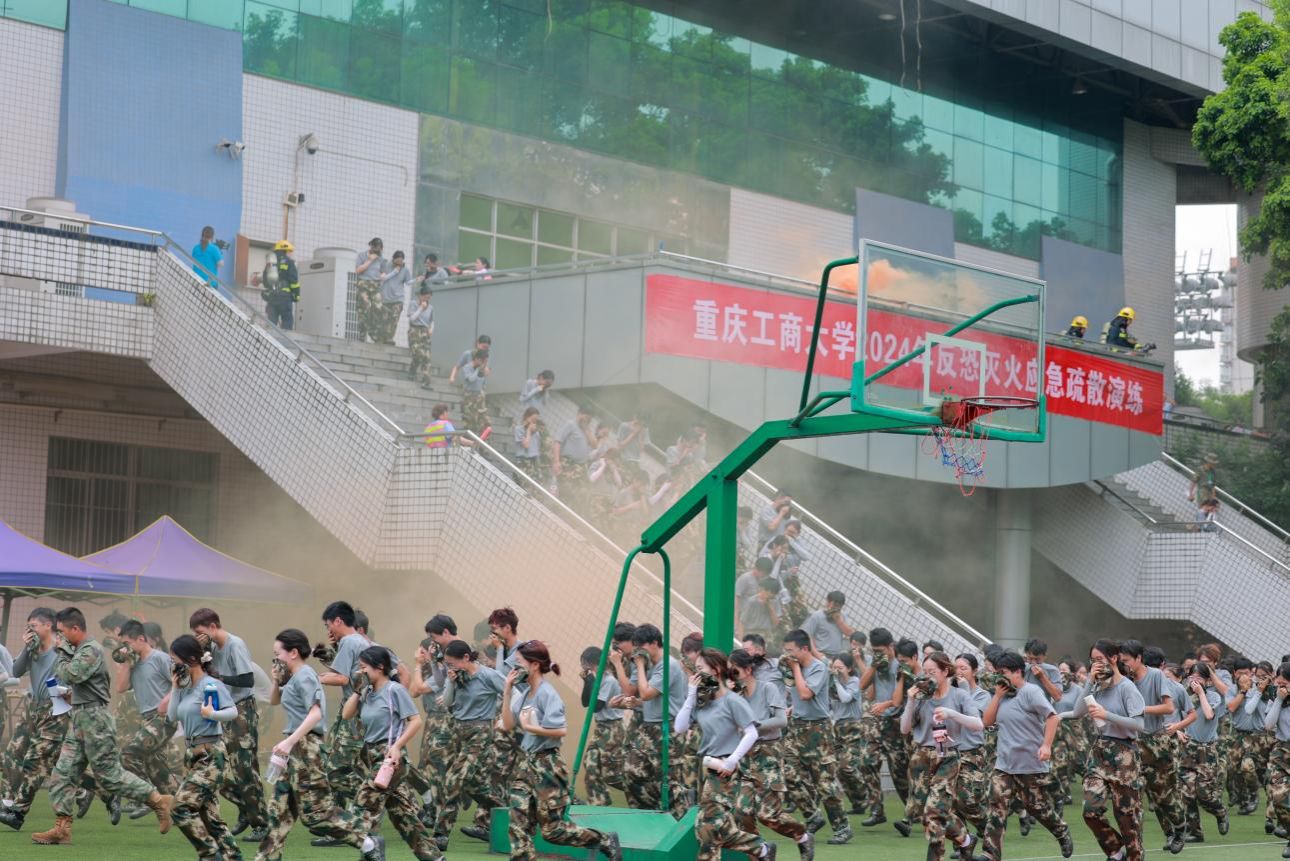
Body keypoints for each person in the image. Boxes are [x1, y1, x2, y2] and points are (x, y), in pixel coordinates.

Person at [31, 607, 173, 845]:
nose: (59, 636)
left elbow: (71, 675)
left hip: (95, 719)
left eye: (62, 631)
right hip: (80, 717)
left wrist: (61, 652)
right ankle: (62, 828)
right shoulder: (78, 650)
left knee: (110, 776)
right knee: (62, 774)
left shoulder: (91, 650)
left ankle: (158, 801)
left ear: (76, 629)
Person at [503, 640, 623, 861]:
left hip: (547, 765)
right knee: (517, 822)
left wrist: (531, 727)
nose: (515, 668)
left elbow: (560, 731)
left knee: (553, 830)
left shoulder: (548, 694)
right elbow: (509, 724)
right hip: (527, 764)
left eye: (519, 662)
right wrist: (507, 691)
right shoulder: (525, 693)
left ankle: (604, 840)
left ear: (535, 665)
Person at [252, 629, 352, 861]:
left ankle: (366, 840)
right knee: (278, 810)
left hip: (307, 748)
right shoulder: (293, 676)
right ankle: (266, 857)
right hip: (295, 748)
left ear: (293, 653)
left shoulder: (305, 675)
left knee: (315, 814)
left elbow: (315, 714)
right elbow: (274, 700)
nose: (276, 659)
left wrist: (288, 742)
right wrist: (276, 680)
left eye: (278, 654)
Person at [337, 646, 442, 861]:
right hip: (371, 755)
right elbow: (346, 715)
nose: (361, 671)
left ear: (380, 667)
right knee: (404, 816)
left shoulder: (395, 690)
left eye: (364, 667)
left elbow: (415, 720)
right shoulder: (367, 692)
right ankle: (434, 858)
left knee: (362, 804)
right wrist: (357, 689)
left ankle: (371, 851)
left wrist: (397, 746)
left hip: (389, 759)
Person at [674, 648, 778, 860]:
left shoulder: (732, 700)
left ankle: (761, 849)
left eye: (700, 668)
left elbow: (751, 733)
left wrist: (732, 761)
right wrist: (691, 695)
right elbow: (680, 727)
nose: (696, 673)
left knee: (708, 826)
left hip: (725, 770)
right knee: (710, 829)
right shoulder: (703, 700)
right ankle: (761, 849)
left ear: (716, 670)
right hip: (708, 767)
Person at [977, 650, 1073, 861]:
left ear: (1017, 672)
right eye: (998, 673)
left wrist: (1046, 746)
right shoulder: (1002, 694)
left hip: (1030, 762)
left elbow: (1052, 717)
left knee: (1036, 807)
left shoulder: (1031, 692)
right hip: (1004, 763)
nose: (1000, 677)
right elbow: (987, 721)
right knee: (996, 806)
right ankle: (990, 854)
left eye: (1003, 672)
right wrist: (997, 696)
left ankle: (1061, 831)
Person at [161, 634, 241, 861]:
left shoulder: (210, 685)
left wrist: (212, 714)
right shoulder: (185, 687)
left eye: (175, 659)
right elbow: (172, 716)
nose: (173, 664)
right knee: (209, 817)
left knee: (180, 807)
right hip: (192, 754)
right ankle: (233, 857)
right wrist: (175, 687)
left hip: (210, 753)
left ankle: (210, 855)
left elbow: (232, 711)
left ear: (191, 659)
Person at [727, 648, 813, 858]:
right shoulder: (735, 696)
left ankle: (802, 835)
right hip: (745, 755)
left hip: (768, 754)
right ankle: (761, 852)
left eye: (734, 671)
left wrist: (755, 726)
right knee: (741, 812)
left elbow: (781, 720)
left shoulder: (768, 688)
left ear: (748, 670)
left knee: (769, 815)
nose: (731, 676)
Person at [190, 608, 267, 841]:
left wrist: (219, 677)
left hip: (241, 711)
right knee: (217, 767)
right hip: (222, 710)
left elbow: (247, 679)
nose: (198, 637)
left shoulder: (235, 645)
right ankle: (245, 807)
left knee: (245, 768)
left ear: (213, 627)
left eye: (199, 632)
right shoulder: (212, 648)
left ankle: (261, 823)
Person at [899, 651, 983, 860]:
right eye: (925, 672)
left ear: (945, 671)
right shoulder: (921, 697)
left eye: (932, 672)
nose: (928, 677)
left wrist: (951, 714)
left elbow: (978, 724)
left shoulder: (959, 695)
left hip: (947, 756)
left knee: (934, 811)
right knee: (926, 812)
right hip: (921, 758)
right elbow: (904, 728)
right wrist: (910, 700)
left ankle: (936, 855)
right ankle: (965, 840)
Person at [1070, 639, 1145, 861]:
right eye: (1093, 661)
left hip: (1125, 754)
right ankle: (1114, 850)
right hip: (1100, 751)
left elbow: (1139, 724)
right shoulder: (1097, 686)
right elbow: (1077, 712)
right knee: (1090, 811)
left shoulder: (1127, 687)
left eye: (1100, 659)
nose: (1097, 664)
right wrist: (1089, 681)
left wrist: (1107, 715)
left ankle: (1133, 855)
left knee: (1127, 817)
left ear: (1113, 658)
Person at [781, 629, 852, 845]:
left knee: (825, 784)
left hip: (818, 730)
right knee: (787, 773)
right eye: (786, 651)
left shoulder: (818, 668)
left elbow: (805, 693)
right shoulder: (796, 668)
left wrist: (795, 668)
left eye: (791, 651)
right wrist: (793, 708)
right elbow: (798, 696)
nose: (788, 655)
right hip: (797, 727)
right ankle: (812, 815)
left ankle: (842, 827)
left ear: (804, 648)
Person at [433, 640, 506, 847]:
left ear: (466, 657)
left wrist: (503, 717)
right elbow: (448, 702)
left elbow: (512, 693)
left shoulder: (488, 675)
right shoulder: (457, 676)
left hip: (480, 732)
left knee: (455, 779)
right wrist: (450, 681)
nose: (450, 667)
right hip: (459, 731)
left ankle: (440, 835)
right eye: (447, 663)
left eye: (452, 663)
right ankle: (510, 813)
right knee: (475, 786)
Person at [0, 608, 64, 832]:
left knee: (43, 762)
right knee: (13, 753)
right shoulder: (33, 649)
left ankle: (105, 791)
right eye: (28, 627)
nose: (30, 630)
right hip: (33, 707)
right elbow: (16, 671)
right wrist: (27, 648)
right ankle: (8, 802)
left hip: (55, 710)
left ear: (48, 625)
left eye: (34, 626)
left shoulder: (62, 649)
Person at [1119, 639, 1185, 853]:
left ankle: (1180, 827)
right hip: (1131, 743)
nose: (1124, 664)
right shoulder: (1123, 679)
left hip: (1156, 744)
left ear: (1139, 658)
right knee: (1131, 797)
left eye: (1127, 660)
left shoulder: (1156, 675)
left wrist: (1141, 708)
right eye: (1121, 661)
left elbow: (1168, 708)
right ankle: (1134, 847)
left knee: (1162, 796)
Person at [620, 623, 688, 816]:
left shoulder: (668, 665)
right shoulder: (651, 665)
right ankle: (648, 814)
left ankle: (681, 822)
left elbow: (647, 693)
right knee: (632, 771)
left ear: (655, 643)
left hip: (668, 728)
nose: (638, 652)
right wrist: (635, 703)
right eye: (636, 647)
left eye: (642, 647)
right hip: (649, 727)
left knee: (669, 781)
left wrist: (640, 666)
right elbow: (647, 698)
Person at [115, 620, 178, 816]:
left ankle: (147, 796)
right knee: (156, 768)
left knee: (128, 754)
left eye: (127, 643)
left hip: (163, 717)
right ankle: (182, 806)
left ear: (141, 639)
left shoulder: (160, 658)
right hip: (147, 719)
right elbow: (121, 688)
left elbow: (182, 682)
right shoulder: (133, 664)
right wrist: (126, 663)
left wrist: (166, 701)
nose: (124, 648)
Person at [316, 601, 371, 811]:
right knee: (355, 763)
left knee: (335, 768)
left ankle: (369, 801)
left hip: (356, 710)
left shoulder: (349, 642)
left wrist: (313, 679)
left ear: (338, 621)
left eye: (328, 625)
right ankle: (343, 814)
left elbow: (341, 678)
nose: (328, 630)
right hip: (356, 707)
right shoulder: (357, 641)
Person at [859, 627, 911, 829]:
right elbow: (862, 686)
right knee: (866, 760)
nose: (877, 654)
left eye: (880, 651)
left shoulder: (900, 666)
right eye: (874, 651)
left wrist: (887, 705)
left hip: (897, 722)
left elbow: (901, 700)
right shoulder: (876, 665)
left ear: (890, 647)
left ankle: (912, 811)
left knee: (899, 771)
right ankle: (877, 810)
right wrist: (873, 665)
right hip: (878, 721)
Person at [1176, 662, 1229, 842]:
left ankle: (1220, 812)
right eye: (1192, 677)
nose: (1195, 681)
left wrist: (1200, 693)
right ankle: (1195, 832)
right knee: (1187, 793)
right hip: (1188, 748)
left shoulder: (1214, 696)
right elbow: (1176, 718)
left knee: (1204, 794)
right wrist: (1178, 731)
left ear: (1207, 680)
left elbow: (1209, 715)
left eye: (1199, 678)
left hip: (1207, 750)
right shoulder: (1184, 696)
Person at [580, 646, 626, 806]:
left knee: (610, 774)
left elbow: (597, 706)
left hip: (612, 728)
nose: (586, 667)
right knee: (590, 763)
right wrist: (587, 682)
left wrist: (591, 681)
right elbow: (585, 702)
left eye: (588, 664)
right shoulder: (597, 679)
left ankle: (643, 789)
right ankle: (598, 801)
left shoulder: (609, 680)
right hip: (601, 727)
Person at [1262, 663, 1290, 858]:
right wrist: (1279, 700)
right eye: (1279, 681)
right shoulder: (1276, 697)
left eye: (1285, 681)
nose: (1281, 684)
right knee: (1278, 797)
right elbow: (1268, 725)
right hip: (1282, 752)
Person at [553, 404, 596, 511]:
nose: (587, 419)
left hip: (580, 467)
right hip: (568, 464)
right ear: (579, 413)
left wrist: (586, 428)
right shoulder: (570, 425)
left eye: (589, 418)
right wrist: (556, 461)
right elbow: (558, 442)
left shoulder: (587, 430)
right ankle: (557, 512)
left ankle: (573, 514)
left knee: (584, 491)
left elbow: (595, 445)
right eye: (585, 416)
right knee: (566, 489)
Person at [375, 250, 414, 345]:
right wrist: (395, 272)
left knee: (394, 320)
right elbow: (382, 278)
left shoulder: (405, 270)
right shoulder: (386, 266)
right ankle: (381, 338)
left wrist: (416, 279)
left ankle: (389, 338)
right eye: (398, 261)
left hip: (398, 299)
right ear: (393, 259)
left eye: (401, 261)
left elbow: (408, 282)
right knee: (384, 319)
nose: (400, 263)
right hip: (386, 298)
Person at [801, 591, 855, 660]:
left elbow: (850, 633)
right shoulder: (817, 616)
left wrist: (838, 620)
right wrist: (816, 653)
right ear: (827, 602)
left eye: (839, 606)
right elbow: (807, 635)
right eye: (834, 605)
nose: (836, 608)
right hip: (821, 653)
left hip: (836, 655)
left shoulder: (842, 615)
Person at [355, 238, 388, 343]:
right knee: (365, 309)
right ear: (371, 247)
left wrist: (383, 275)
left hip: (375, 286)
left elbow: (384, 272)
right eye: (376, 249)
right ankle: (362, 334)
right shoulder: (362, 256)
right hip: (363, 284)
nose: (378, 251)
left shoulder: (381, 259)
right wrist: (369, 260)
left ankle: (375, 334)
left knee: (378, 308)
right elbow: (358, 270)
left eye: (380, 249)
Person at [260, 241, 300, 330]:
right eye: (289, 251)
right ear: (285, 250)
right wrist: (296, 295)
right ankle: (284, 339)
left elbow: (265, 281)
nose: (290, 254)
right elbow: (294, 282)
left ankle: (269, 338)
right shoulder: (289, 262)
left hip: (272, 297)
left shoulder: (270, 263)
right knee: (287, 322)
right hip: (284, 298)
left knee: (271, 324)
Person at [407, 285, 435, 389]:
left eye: (429, 298)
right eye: (425, 297)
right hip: (414, 331)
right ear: (420, 296)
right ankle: (412, 370)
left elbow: (432, 321)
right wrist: (421, 308)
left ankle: (426, 382)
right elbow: (412, 318)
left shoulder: (431, 307)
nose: (427, 299)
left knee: (426, 357)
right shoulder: (413, 304)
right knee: (418, 353)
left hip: (425, 332)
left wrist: (431, 329)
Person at [460, 348, 491, 436]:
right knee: (470, 423)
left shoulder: (481, 369)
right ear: (477, 359)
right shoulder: (467, 367)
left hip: (479, 398)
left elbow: (482, 384)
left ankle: (482, 441)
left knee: (485, 422)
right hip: (469, 397)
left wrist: (484, 373)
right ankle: (469, 441)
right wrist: (478, 370)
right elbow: (471, 379)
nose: (484, 364)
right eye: (483, 361)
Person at [513, 407, 543, 479]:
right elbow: (526, 445)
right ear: (527, 417)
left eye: (535, 420)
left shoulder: (536, 433)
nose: (534, 422)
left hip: (534, 461)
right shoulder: (519, 429)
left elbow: (537, 448)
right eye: (533, 419)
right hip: (523, 461)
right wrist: (529, 431)